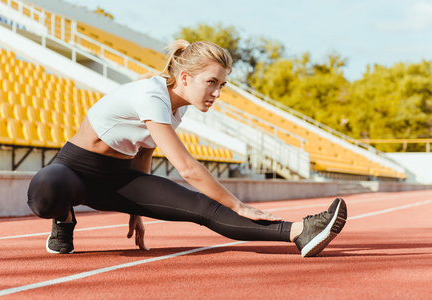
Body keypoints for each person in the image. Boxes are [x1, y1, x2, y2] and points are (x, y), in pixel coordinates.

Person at [27, 40, 347, 258]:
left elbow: (144, 152)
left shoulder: (178, 110)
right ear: (184, 76)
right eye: (212, 82)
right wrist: (239, 204)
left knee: (203, 208)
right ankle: (63, 220)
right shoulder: (150, 94)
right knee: (45, 191)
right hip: (74, 172)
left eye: (221, 85)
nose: (217, 92)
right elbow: (188, 168)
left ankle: (299, 232)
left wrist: (136, 212)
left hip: (118, 179)